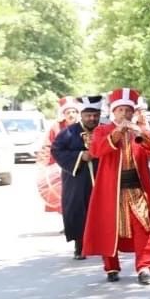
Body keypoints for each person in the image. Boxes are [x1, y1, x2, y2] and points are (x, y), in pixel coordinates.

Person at [82, 87, 150, 283]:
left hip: (136, 189)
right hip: (111, 190)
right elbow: (96, 151)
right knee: (108, 226)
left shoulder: (140, 130)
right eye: (121, 110)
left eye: (128, 110)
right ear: (114, 112)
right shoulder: (103, 130)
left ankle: (144, 267)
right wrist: (117, 134)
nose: (125, 114)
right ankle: (111, 267)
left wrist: (142, 134)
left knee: (143, 225)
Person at [50, 97, 103, 260]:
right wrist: (81, 155)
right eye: (88, 115)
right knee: (78, 210)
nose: (92, 119)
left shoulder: (105, 131)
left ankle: (104, 245)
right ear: (82, 115)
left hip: (102, 177)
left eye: (95, 115)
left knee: (103, 210)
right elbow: (56, 150)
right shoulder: (69, 132)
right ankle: (80, 246)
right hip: (77, 178)